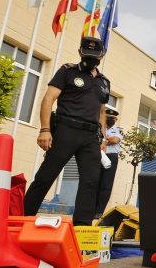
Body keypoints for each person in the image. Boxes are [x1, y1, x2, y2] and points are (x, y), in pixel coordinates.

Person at [23, 37, 111, 226]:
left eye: (95, 56)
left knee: (90, 181)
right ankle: (22, 218)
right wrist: (45, 129)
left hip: (90, 137)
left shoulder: (104, 82)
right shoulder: (67, 71)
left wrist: (103, 137)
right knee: (46, 176)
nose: (91, 59)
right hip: (66, 130)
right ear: (80, 52)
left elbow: (101, 111)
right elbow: (48, 99)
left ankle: (82, 227)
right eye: (87, 55)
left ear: (102, 55)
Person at [95, 108, 122, 218]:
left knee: (106, 185)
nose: (110, 119)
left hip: (111, 157)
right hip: (98, 156)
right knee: (94, 183)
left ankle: (99, 211)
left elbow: (115, 140)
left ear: (116, 119)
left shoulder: (119, 130)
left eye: (112, 118)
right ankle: (91, 209)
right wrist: (107, 140)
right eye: (108, 118)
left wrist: (103, 141)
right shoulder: (99, 128)